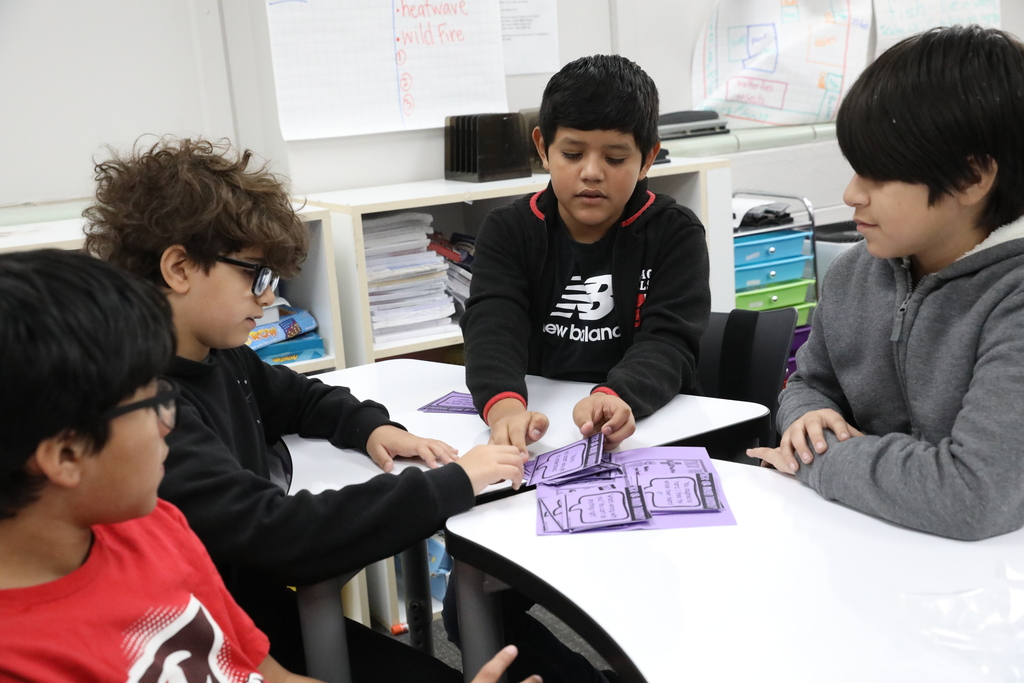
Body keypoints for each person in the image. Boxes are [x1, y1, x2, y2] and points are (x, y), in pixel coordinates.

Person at [83, 137, 527, 680]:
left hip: (249, 616)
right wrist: (454, 482)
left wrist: (370, 427)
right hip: (213, 647)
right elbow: (284, 535)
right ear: (179, 268)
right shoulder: (147, 411)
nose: (270, 298)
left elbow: (300, 397)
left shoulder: (217, 353)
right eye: (256, 275)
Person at [0, 249, 538, 683]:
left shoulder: (158, 528)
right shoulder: (26, 657)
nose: (169, 421)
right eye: (151, 403)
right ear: (65, 455)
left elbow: (266, 673)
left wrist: (371, 427)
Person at [749, 25, 1024, 541]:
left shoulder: (1013, 298)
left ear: (970, 178)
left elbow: (973, 496)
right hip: (870, 540)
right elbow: (810, 382)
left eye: (878, 174)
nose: (851, 194)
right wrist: (809, 417)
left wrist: (816, 460)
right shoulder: (854, 272)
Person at [460, 54, 711, 454]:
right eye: (573, 154)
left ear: (647, 158)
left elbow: (669, 343)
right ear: (543, 148)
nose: (592, 172)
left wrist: (614, 396)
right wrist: (506, 411)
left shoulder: (674, 232)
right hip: (541, 425)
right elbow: (492, 328)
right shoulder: (509, 229)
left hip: (642, 420)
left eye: (615, 158)